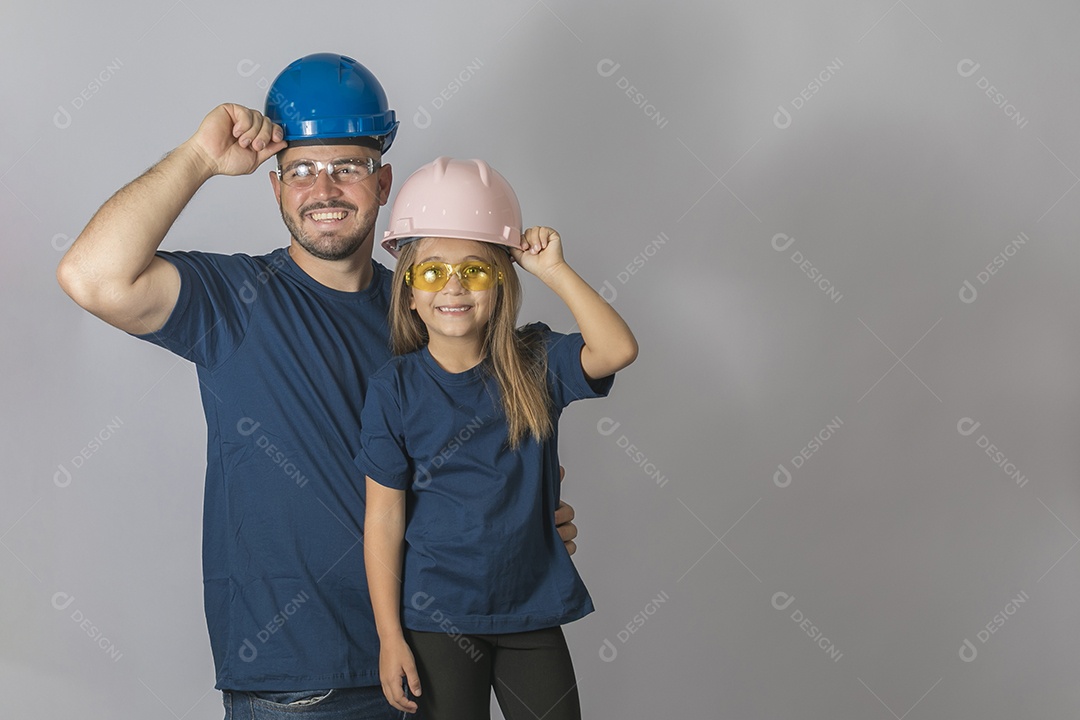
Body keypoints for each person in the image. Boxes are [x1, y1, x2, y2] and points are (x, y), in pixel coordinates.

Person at [56, 53, 579, 719]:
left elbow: (490, 454)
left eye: (348, 167)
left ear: (383, 182)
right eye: (300, 169)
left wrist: (521, 522)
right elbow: (91, 277)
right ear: (275, 189)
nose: (324, 188)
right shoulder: (232, 300)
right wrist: (198, 156)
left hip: (438, 660)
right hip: (301, 682)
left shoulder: (431, 312)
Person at [360, 157, 638, 719]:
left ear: (503, 282)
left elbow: (616, 350)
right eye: (432, 272)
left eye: (476, 270)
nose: (454, 286)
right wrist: (389, 636)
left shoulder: (535, 360)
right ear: (409, 290)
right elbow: (384, 517)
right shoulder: (396, 387)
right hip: (434, 619)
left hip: (529, 612)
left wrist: (554, 270)